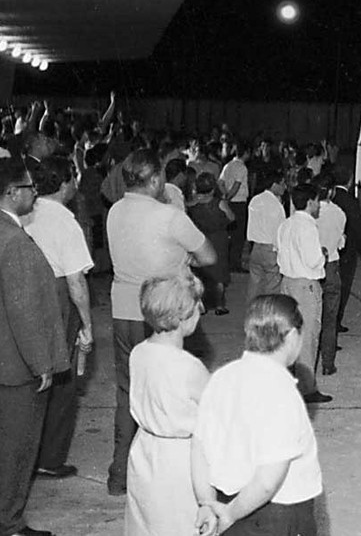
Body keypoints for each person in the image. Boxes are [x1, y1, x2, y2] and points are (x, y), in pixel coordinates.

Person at [106, 149, 216, 496]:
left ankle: (119, 475)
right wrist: (183, 259)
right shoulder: (170, 216)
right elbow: (209, 255)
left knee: (128, 391)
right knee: (173, 393)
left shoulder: (114, 211)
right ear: (154, 179)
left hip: (123, 309)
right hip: (163, 311)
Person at [192, 295, 322, 536]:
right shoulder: (282, 394)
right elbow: (267, 480)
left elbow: (198, 447)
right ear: (292, 336)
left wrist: (207, 504)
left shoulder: (222, 377)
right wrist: (229, 514)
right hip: (277, 515)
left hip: (226, 502)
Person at [0, 158, 68, 536]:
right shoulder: (16, 244)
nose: (35, 191)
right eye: (29, 187)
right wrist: (42, 363)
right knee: (17, 449)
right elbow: (24, 311)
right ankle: (9, 523)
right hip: (15, 368)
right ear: (12, 194)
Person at [23, 157, 94, 480]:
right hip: (57, 299)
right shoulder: (66, 222)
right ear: (65, 183)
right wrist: (87, 325)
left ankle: (29, 450)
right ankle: (51, 457)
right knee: (62, 379)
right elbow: (76, 281)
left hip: (24, 296)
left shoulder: (24, 211)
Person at [125, 274, 209, 536]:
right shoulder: (189, 367)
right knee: (181, 525)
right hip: (179, 460)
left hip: (144, 450)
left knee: (146, 523)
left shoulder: (139, 352)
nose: (201, 310)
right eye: (197, 305)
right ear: (184, 316)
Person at [276, 184, 332, 404]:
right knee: (307, 336)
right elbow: (313, 260)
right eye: (317, 200)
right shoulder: (308, 227)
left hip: (287, 282)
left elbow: (278, 252)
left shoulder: (286, 224)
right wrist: (324, 254)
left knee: (288, 335)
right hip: (305, 285)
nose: (318, 205)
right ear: (309, 202)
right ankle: (307, 389)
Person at [188, 173, 235, 315]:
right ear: (213, 189)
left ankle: (202, 304)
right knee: (219, 272)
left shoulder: (192, 204)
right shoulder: (219, 203)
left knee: (201, 271)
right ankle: (219, 305)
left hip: (201, 238)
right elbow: (232, 217)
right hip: (219, 238)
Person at [332, 165, 361, 333]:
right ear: (349, 181)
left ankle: (331, 321)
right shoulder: (351, 201)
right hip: (347, 250)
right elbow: (358, 228)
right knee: (343, 286)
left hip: (331, 248)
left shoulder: (331, 198)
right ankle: (335, 321)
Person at [313, 172, 345, 376]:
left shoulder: (311, 214)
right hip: (332, 266)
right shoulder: (339, 213)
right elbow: (341, 241)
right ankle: (327, 363)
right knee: (330, 319)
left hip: (312, 268)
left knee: (310, 317)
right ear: (332, 191)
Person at [246, 169, 287, 304]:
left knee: (255, 286)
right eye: (282, 183)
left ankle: (252, 316)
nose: (285, 187)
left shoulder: (255, 200)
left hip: (256, 248)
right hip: (271, 250)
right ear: (274, 184)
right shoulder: (276, 205)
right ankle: (267, 319)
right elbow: (280, 231)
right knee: (272, 288)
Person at [219, 143, 250, 272]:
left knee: (231, 234)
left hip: (230, 203)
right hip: (238, 203)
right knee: (238, 236)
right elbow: (237, 186)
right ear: (247, 152)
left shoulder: (228, 165)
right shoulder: (242, 168)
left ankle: (229, 262)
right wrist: (228, 196)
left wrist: (225, 195)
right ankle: (235, 264)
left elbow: (220, 182)